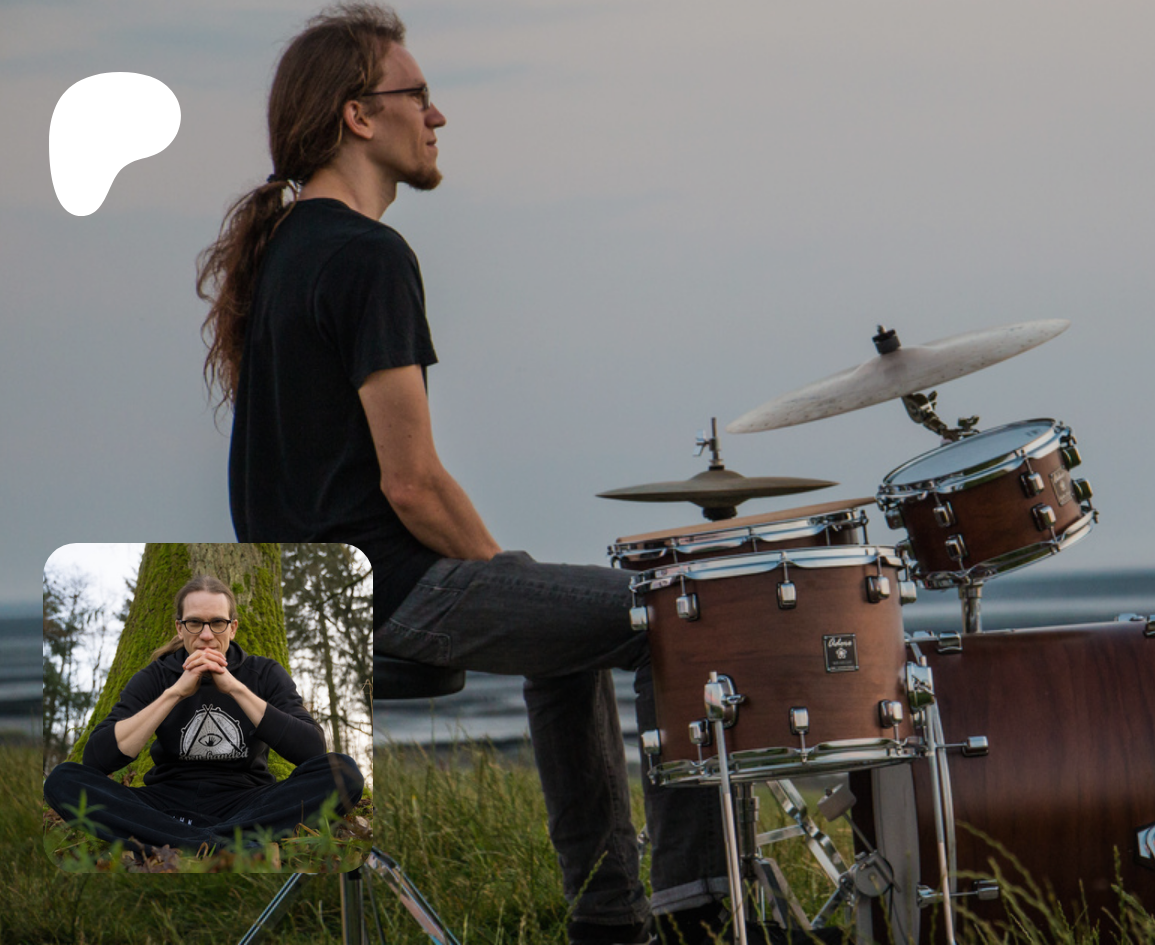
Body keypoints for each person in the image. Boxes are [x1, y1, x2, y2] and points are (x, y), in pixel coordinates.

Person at [197, 6, 728, 943]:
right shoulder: (368, 255)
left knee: (566, 639)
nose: (437, 115)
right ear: (360, 115)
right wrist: (502, 568)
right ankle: (699, 915)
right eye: (420, 95)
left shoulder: (286, 253)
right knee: (687, 615)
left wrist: (514, 584)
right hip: (388, 587)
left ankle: (612, 922)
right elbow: (411, 483)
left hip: (305, 594)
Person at [43, 575, 363, 856]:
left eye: (217, 623)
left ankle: (183, 842)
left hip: (248, 802)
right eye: (195, 623)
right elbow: (96, 759)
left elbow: (312, 751)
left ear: (232, 628)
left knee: (343, 772)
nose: (207, 635)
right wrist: (174, 694)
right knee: (63, 780)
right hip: (165, 803)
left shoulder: (263, 673)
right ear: (180, 628)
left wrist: (235, 689)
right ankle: (224, 843)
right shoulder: (156, 676)